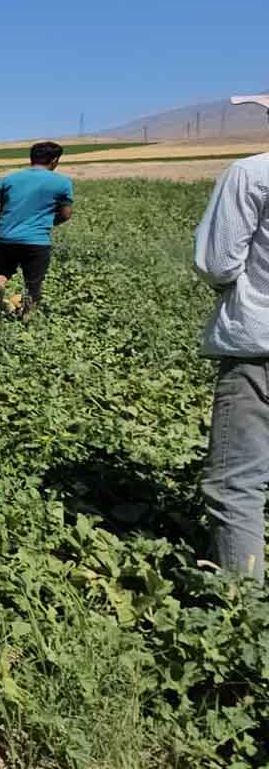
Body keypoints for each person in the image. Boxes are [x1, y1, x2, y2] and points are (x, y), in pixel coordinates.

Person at [192, 149, 269, 581]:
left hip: (260, 346)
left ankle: (243, 620)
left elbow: (217, 263)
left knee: (237, 485)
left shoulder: (253, 173)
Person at [0, 141, 75, 314]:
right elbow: (66, 214)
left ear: (32, 158)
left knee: (2, 273)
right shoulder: (63, 182)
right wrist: (45, 223)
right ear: (54, 160)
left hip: (6, 237)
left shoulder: (7, 180)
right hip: (36, 241)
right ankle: (28, 320)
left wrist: (13, 219)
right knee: (33, 283)